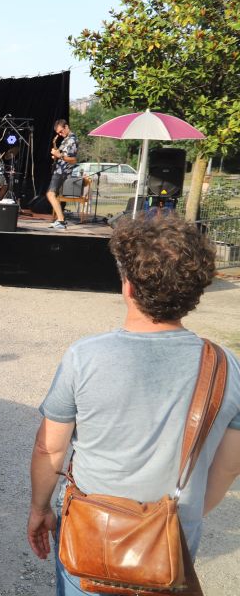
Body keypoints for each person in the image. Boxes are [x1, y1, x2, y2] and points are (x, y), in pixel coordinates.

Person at [26, 213, 240, 596]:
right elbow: (228, 465)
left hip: (90, 534)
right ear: (196, 289)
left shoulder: (85, 357)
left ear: (128, 285)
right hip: (172, 543)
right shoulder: (227, 366)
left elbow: (51, 447)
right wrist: (175, 518)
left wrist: (40, 509)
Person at [46, 119, 78, 230]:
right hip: (59, 169)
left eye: (61, 131)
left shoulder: (72, 140)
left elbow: (73, 160)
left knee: (50, 194)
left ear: (66, 127)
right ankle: (60, 220)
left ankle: (60, 220)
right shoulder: (66, 140)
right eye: (58, 133)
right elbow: (62, 154)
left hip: (62, 171)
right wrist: (55, 155)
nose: (60, 134)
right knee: (52, 195)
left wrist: (59, 156)